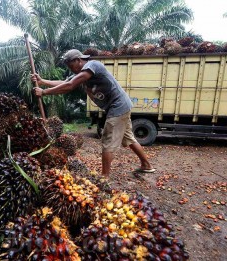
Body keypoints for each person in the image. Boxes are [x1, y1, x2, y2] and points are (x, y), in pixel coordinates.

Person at [32, 49, 155, 178]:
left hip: (118, 106)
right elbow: (64, 82)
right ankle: (146, 165)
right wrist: (43, 82)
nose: (71, 69)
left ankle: (104, 177)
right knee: (129, 138)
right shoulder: (82, 73)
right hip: (121, 106)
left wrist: (44, 92)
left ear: (78, 60)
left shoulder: (92, 65)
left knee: (108, 141)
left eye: (71, 65)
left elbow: (70, 85)